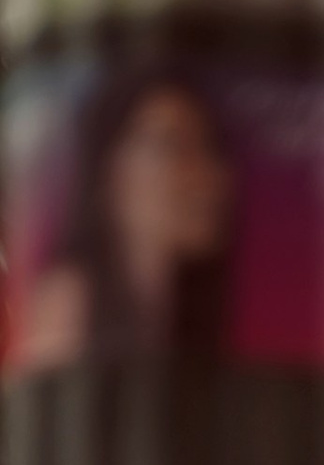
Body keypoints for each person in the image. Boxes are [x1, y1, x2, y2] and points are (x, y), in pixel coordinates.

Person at [14, 67, 235, 371]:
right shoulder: (67, 303)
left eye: (209, 148)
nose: (212, 177)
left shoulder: (187, 319)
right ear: (105, 172)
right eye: (172, 144)